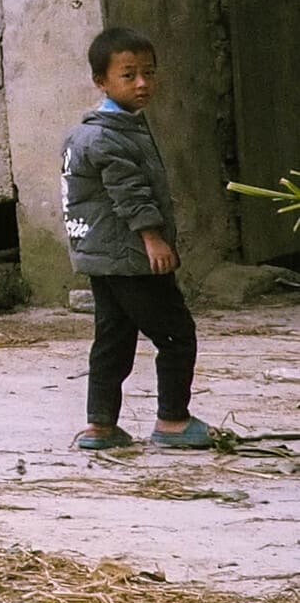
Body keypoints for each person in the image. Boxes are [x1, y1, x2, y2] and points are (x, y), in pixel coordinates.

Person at [64, 26, 217, 452]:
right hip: (132, 257)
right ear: (101, 81)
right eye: (129, 75)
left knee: (112, 339)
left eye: (149, 72)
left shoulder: (103, 130)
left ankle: (100, 426)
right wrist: (153, 239)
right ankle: (172, 420)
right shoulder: (108, 137)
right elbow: (130, 195)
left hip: (102, 257)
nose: (142, 83)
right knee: (176, 335)